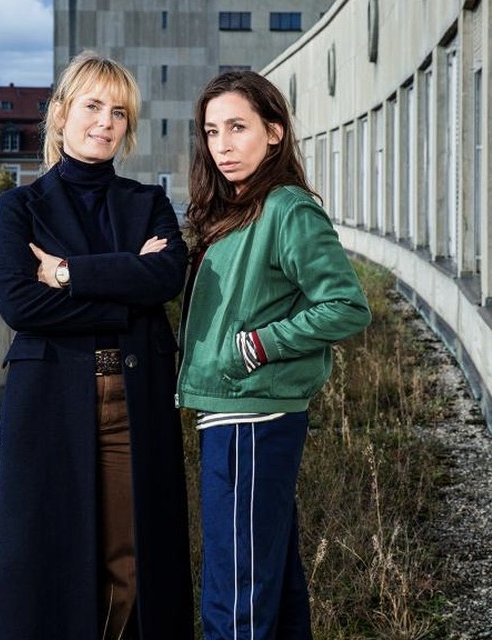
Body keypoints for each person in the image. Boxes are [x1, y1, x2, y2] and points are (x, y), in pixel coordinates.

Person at [0, 51, 194, 640]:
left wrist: (67, 275)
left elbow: (166, 278)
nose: (105, 121)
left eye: (119, 112)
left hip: (137, 401)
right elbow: (20, 306)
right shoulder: (20, 207)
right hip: (51, 402)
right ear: (60, 114)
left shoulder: (147, 202)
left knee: (133, 560)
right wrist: (126, 283)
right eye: (92, 106)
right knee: (49, 560)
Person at [177, 70, 372, 639]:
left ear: (275, 132)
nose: (223, 145)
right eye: (212, 132)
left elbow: (346, 306)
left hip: (251, 417)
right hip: (236, 413)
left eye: (238, 128)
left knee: (235, 592)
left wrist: (258, 344)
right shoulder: (231, 211)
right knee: (272, 584)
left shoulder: (286, 208)